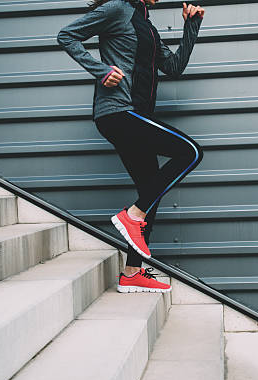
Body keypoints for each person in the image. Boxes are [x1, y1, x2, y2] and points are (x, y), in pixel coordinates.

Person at [57, 0, 205, 293]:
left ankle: (131, 273)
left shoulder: (146, 26)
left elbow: (173, 68)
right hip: (119, 112)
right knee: (190, 152)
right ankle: (132, 216)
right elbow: (67, 35)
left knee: (151, 191)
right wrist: (100, 70)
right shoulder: (116, 9)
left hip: (137, 115)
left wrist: (192, 26)